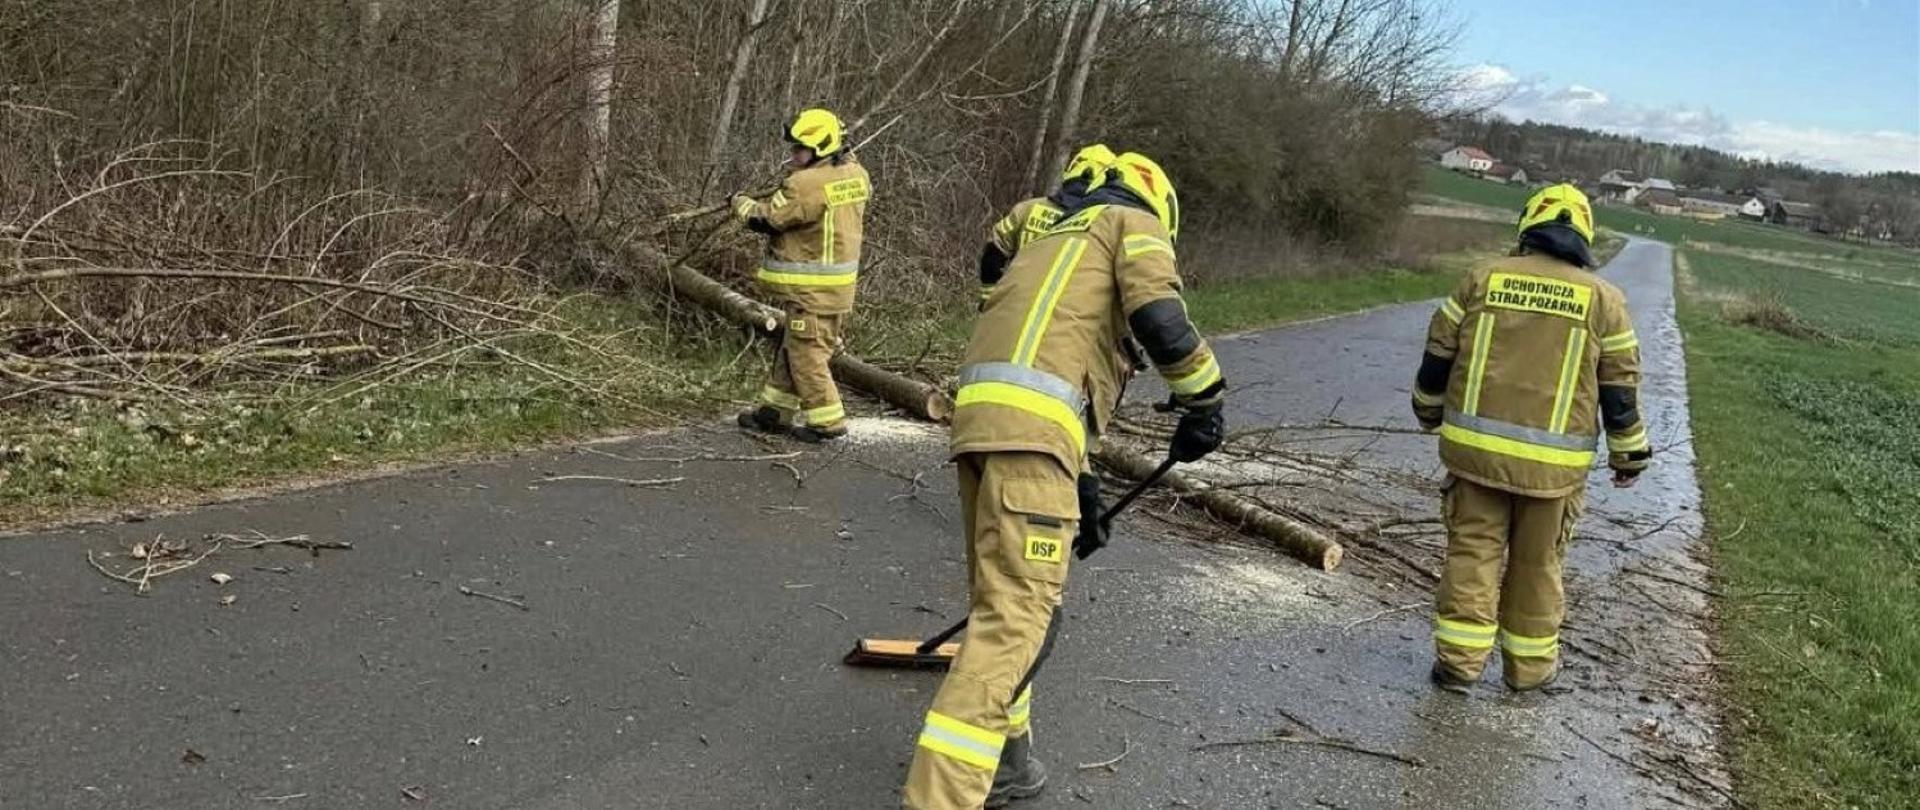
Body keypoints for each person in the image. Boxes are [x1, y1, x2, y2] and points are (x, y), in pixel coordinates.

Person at [903, 152, 1227, 809]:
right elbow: (1161, 320)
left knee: (1006, 608)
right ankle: (939, 799)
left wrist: (1081, 482)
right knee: (1015, 625)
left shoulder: (1048, 235)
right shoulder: (1129, 223)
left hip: (982, 429)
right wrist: (1206, 400)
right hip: (1031, 444)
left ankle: (1009, 762)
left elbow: (1038, 357)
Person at [1410, 183, 1651, 694]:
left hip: (1476, 459)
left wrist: (1428, 411)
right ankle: (1530, 671)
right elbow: (1620, 385)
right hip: (1554, 473)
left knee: (1472, 554)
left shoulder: (1483, 278)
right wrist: (1628, 454)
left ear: (1528, 225)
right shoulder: (1604, 301)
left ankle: (1458, 664)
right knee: (1539, 566)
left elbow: (1438, 353)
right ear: (1584, 234)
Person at [731, 108, 872, 443]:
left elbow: (767, 219)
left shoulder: (806, 184)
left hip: (813, 291)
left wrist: (738, 204)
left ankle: (828, 421)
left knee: (807, 356)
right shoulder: (856, 174)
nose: (792, 156)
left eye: (799, 149)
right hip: (833, 290)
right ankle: (774, 412)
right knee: (793, 348)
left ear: (822, 148)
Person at [975, 144, 1117, 306]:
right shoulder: (1105, 224)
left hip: (1014, 307)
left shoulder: (1028, 209)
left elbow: (994, 250)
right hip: (1069, 317)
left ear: (1071, 170)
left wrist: (989, 296)